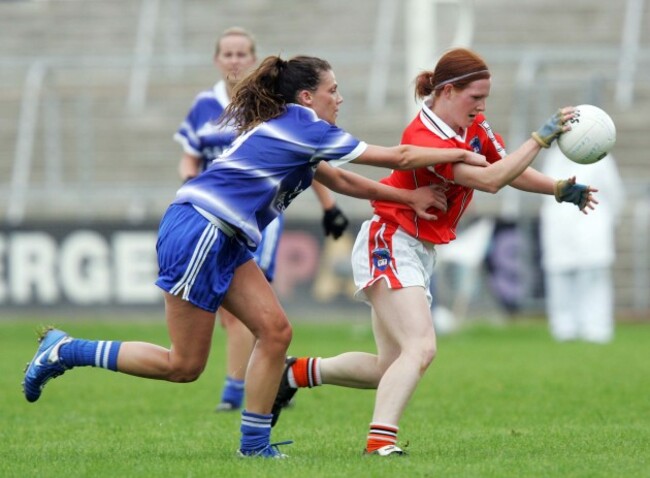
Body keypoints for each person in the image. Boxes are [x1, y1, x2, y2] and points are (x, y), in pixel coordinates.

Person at [22, 54, 489, 459]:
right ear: (307, 97)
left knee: (275, 331)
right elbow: (401, 156)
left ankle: (254, 446)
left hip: (224, 236)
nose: (339, 99)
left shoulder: (300, 132)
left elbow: (342, 182)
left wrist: (408, 200)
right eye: (333, 90)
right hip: (202, 227)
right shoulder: (303, 124)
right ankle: (67, 349)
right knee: (183, 365)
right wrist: (461, 152)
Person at [270, 47, 599, 456]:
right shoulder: (424, 138)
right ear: (446, 91)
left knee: (387, 368)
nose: (480, 106)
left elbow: (506, 167)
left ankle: (293, 374)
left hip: (418, 247)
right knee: (422, 347)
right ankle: (380, 443)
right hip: (390, 240)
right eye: (474, 97)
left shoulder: (472, 124)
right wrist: (538, 139)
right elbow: (494, 179)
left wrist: (556, 188)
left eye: (485, 98)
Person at [174, 27, 350, 412]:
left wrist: (329, 206)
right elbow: (189, 158)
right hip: (208, 216)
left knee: (251, 318)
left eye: (242, 54)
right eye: (228, 54)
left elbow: (309, 160)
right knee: (228, 318)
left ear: (253, 59)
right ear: (217, 60)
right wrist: (193, 189)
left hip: (252, 221)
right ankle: (264, 383)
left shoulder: (273, 108)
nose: (235, 60)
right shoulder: (204, 105)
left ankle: (236, 391)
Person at [540, 146, 624, 343]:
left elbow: (613, 193)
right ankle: (564, 329)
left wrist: (609, 220)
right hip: (559, 229)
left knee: (594, 280)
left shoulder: (600, 157)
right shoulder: (554, 157)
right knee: (560, 281)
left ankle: (596, 328)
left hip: (592, 227)